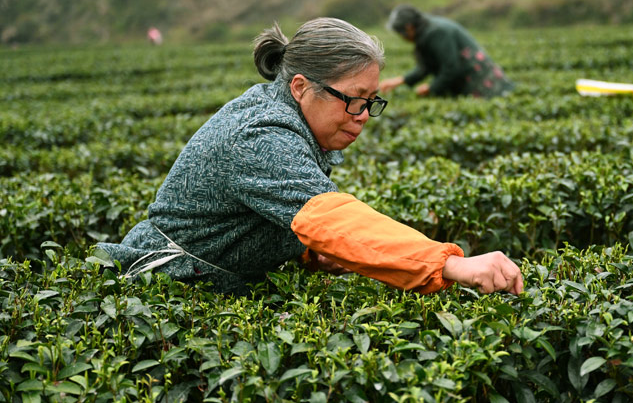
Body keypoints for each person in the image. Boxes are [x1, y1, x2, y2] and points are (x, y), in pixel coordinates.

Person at [97, 17, 523, 296]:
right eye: (353, 100)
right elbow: (328, 216)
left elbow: (263, 213)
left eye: (371, 101)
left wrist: (303, 251)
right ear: (301, 86)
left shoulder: (283, 114)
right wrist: (449, 264)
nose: (362, 117)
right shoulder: (261, 135)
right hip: (164, 288)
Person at [379, 5, 514, 98]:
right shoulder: (427, 30)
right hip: (470, 81)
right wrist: (398, 82)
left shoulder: (437, 33)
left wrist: (432, 88)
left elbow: (450, 68)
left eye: (401, 33)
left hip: (480, 83)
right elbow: (426, 67)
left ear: (409, 28)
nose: (403, 38)